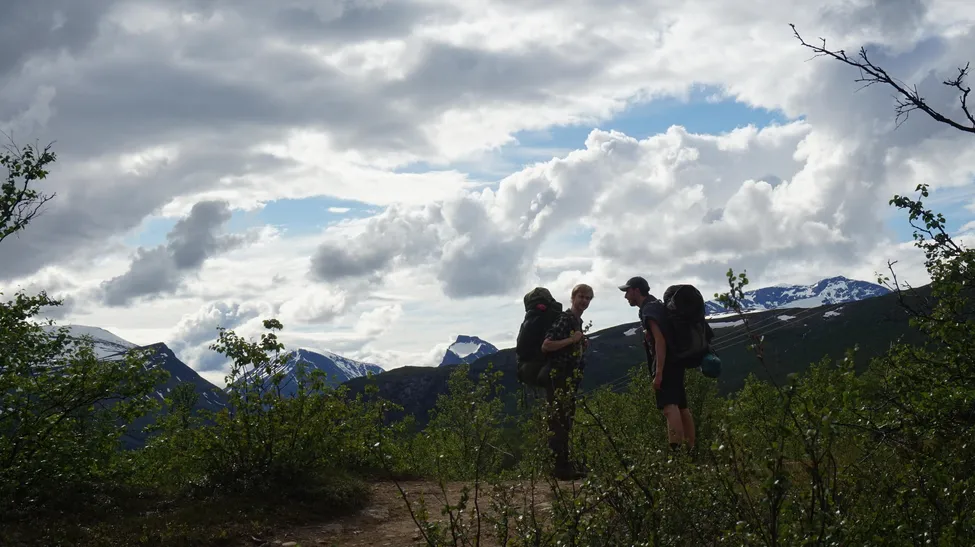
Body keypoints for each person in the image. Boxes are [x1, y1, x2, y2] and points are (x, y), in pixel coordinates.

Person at [619, 276, 696, 455]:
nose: (626, 297)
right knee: (682, 407)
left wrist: (659, 372)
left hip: (666, 362)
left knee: (669, 408)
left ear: (636, 291)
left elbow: (660, 340)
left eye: (627, 292)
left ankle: (676, 455)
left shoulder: (649, 310)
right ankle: (691, 451)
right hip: (677, 360)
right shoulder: (658, 305)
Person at [540, 283, 593, 479]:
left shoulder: (576, 321)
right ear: (573, 297)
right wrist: (572, 340)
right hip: (558, 378)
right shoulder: (565, 319)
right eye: (581, 297)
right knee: (558, 421)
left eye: (588, 298)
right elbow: (546, 345)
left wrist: (580, 344)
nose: (584, 301)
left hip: (569, 379)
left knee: (565, 421)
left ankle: (562, 465)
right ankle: (559, 469)